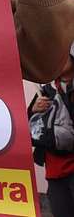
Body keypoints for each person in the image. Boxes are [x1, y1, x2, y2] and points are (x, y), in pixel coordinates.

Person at [29, 50, 74, 217]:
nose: (58, 62)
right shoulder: (47, 90)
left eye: (63, 56)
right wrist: (34, 110)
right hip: (55, 171)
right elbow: (31, 129)